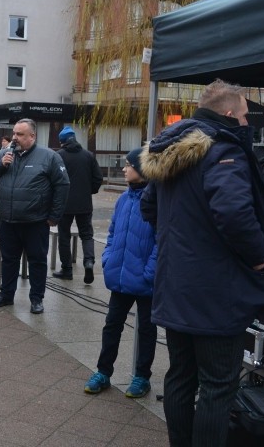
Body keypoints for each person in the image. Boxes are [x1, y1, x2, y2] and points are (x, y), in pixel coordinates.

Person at [140, 79, 264, 447]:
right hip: (216, 292)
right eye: (242, 114)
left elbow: (149, 206)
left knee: (179, 377)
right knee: (218, 385)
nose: (245, 122)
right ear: (227, 114)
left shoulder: (170, 147)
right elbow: (234, 212)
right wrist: (259, 259)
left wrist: (180, 242)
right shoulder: (224, 148)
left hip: (175, 284)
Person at [84, 148, 157, 399]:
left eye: (129, 165)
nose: (124, 169)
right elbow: (113, 232)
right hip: (121, 275)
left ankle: (142, 377)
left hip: (146, 279)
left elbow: (162, 240)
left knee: (147, 330)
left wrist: (150, 271)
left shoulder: (156, 200)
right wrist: (108, 258)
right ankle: (103, 372)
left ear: (142, 168)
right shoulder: (123, 199)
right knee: (112, 325)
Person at [0, 118, 70, 314]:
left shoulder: (49, 157)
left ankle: (36, 299)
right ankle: (6, 295)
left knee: (37, 261)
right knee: (8, 259)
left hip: (36, 221)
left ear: (32, 136)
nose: (15, 138)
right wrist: (1, 165)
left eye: (20, 135)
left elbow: (62, 186)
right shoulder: (4, 154)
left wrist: (54, 216)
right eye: (14, 133)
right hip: (8, 220)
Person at [53, 126, 103, 284]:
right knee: (87, 234)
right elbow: (98, 178)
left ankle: (66, 270)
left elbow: (53, 179)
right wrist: (90, 191)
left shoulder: (59, 156)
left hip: (64, 203)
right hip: (84, 203)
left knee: (64, 236)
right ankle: (88, 261)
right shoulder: (88, 155)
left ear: (62, 141)